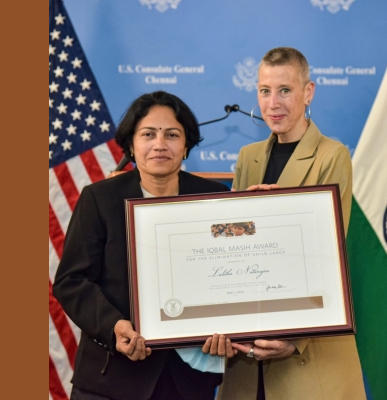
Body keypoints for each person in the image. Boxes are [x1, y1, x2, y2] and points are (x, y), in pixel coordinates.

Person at [53, 91, 236, 400]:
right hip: (110, 380)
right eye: (148, 134)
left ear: (186, 145)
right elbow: (71, 281)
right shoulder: (99, 199)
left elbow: (231, 275)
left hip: (186, 382)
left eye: (172, 135)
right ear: (131, 145)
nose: (160, 144)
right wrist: (114, 326)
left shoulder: (214, 197)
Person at [217, 48, 366, 400]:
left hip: (307, 351)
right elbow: (231, 251)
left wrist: (295, 339)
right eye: (265, 91)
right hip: (246, 354)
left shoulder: (332, 155)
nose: (273, 103)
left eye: (285, 90)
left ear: (308, 92)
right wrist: (237, 222)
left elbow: (326, 254)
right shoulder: (248, 157)